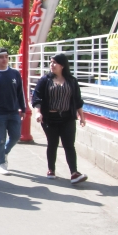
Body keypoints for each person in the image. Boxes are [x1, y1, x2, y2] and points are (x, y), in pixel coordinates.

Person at [31, 53, 88, 184]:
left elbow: (78, 101)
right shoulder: (45, 80)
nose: (52, 65)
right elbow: (37, 98)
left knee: (69, 145)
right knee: (52, 143)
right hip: (50, 118)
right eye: (50, 62)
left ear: (62, 65)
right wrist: (38, 112)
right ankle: (51, 169)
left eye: (55, 63)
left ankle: (74, 173)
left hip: (67, 117)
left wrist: (82, 117)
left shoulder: (72, 81)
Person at [0, 47, 26, 176]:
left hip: (14, 111)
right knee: (0, 139)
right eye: (1, 57)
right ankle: (2, 163)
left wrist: (23, 108)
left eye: (6, 57)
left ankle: (4, 152)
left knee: (16, 136)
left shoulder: (15, 73)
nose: (4, 59)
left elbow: (21, 92)